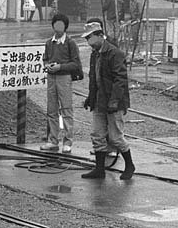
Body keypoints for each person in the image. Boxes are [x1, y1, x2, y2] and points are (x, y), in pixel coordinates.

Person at [81, 21, 136, 180]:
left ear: (99, 35)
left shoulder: (114, 53)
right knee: (97, 134)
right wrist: (90, 98)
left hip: (113, 102)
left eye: (90, 37)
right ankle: (99, 169)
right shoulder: (95, 54)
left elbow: (120, 79)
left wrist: (114, 101)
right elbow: (94, 78)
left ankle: (130, 165)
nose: (88, 41)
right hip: (99, 101)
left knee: (115, 137)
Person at [40, 14, 82, 153]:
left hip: (64, 78)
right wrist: (47, 65)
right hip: (51, 77)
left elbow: (75, 64)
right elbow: (45, 59)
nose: (58, 27)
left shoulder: (70, 43)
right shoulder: (48, 43)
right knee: (51, 110)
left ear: (65, 26)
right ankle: (53, 140)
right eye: (55, 24)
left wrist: (61, 67)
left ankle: (68, 140)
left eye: (61, 24)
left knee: (66, 109)